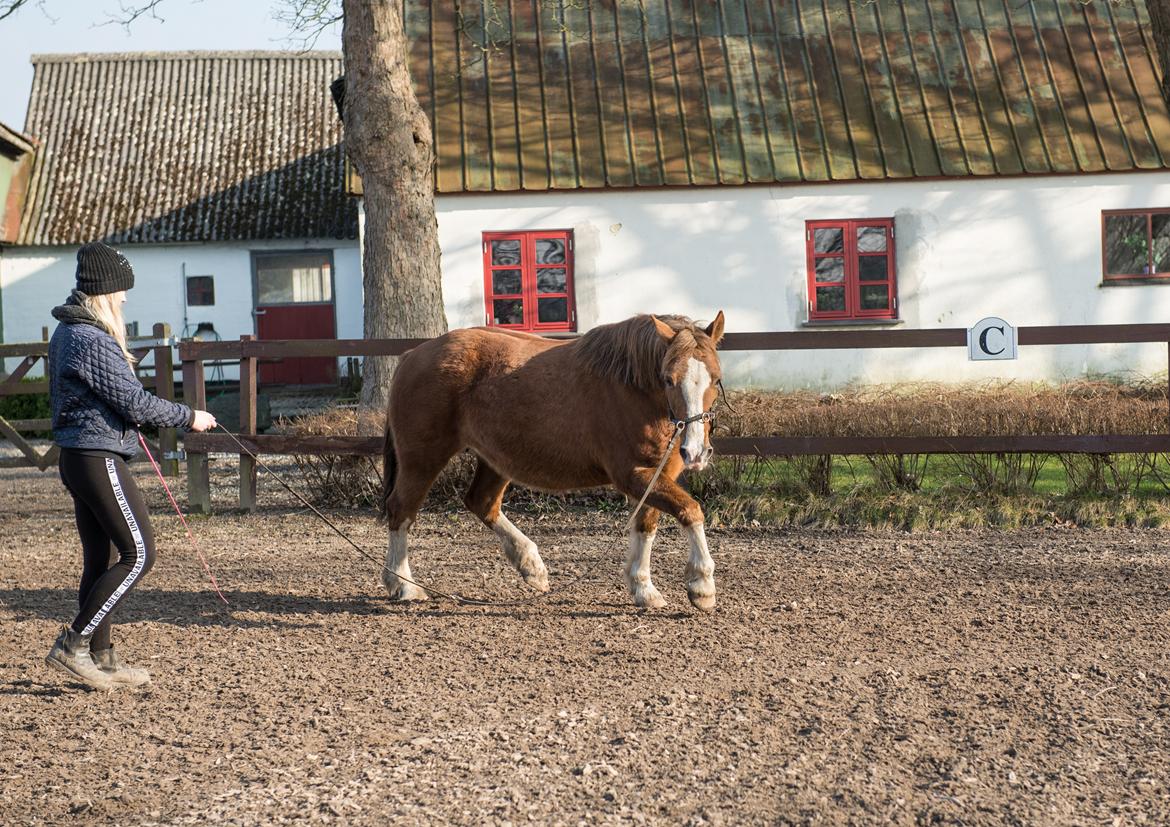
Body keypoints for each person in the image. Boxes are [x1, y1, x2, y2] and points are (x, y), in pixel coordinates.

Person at [45, 241, 217, 690]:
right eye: (121, 291)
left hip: (81, 456)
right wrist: (190, 417)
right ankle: (74, 645)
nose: (125, 298)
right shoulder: (88, 338)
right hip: (95, 456)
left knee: (100, 560)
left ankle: (101, 659)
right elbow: (135, 402)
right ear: (105, 290)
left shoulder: (70, 333)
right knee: (139, 553)